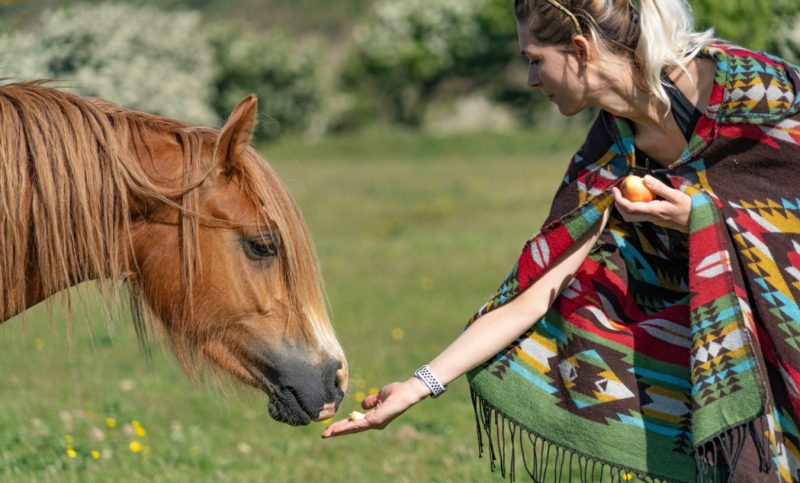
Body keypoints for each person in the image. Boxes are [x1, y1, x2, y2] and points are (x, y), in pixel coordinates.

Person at [323, 0, 800, 481]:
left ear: (579, 49)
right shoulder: (611, 154)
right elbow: (534, 291)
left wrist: (700, 217)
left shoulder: (760, 92)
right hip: (735, 363)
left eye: (534, 59)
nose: (531, 80)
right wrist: (417, 386)